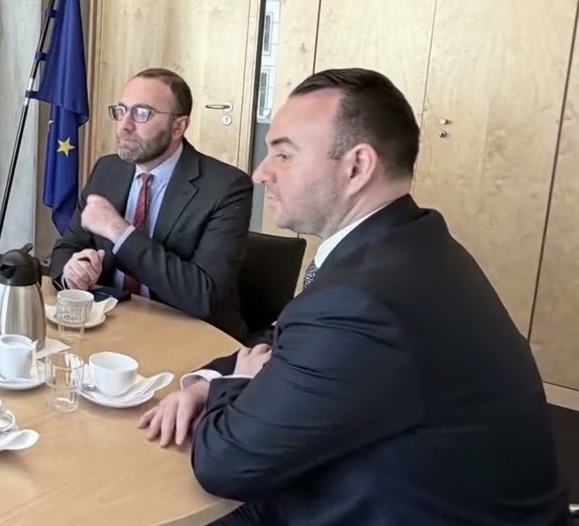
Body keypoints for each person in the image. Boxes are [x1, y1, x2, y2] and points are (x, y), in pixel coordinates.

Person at [138, 68, 567, 525]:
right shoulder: (409, 243)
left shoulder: (363, 300)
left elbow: (223, 464)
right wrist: (208, 381)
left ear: (357, 167)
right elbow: (286, 336)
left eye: (283, 155)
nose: (261, 172)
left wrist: (234, 385)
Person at [49, 67, 253, 340]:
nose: (125, 125)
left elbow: (205, 295)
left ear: (178, 126)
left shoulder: (226, 187)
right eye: (121, 111)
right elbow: (68, 246)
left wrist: (120, 232)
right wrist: (72, 272)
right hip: (112, 325)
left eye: (142, 113)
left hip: (188, 335)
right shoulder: (108, 169)